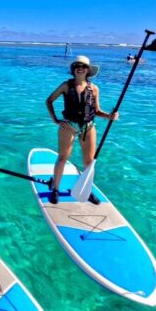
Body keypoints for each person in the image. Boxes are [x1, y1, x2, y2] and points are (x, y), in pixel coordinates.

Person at [45, 55, 118, 204]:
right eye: (77, 66)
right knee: (63, 158)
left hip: (88, 127)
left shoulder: (94, 88)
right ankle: (55, 189)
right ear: (74, 69)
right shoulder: (66, 85)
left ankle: (87, 190)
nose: (80, 68)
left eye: (83, 66)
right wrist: (56, 120)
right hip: (69, 126)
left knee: (89, 162)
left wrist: (109, 116)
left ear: (88, 70)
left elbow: (96, 111)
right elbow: (49, 100)